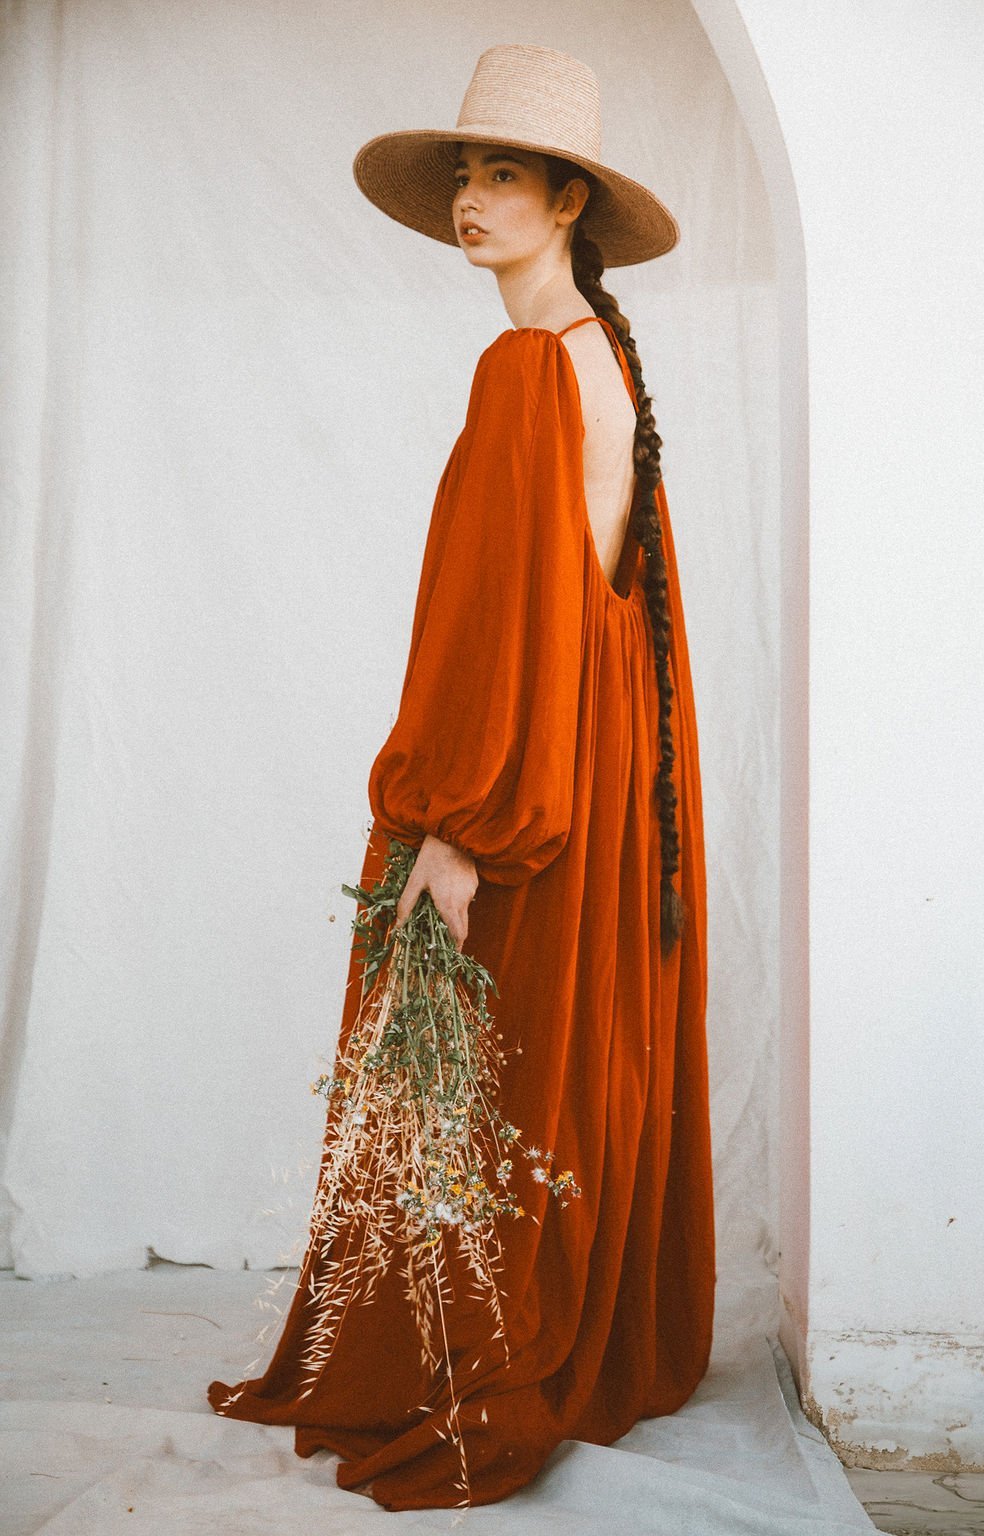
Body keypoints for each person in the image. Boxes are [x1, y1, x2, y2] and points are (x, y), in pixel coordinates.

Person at [207, 42, 715, 1510]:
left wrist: (461, 831)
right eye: (465, 175)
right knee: (518, 1084)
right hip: (587, 768)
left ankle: (462, 1351)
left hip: (527, 783)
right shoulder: (602, 356)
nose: (470, 199)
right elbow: (586, 621)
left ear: (570, 202)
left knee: (475, 1075)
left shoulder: (531, 368)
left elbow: (507, 627)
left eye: (502, 174)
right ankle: (520, 1320)